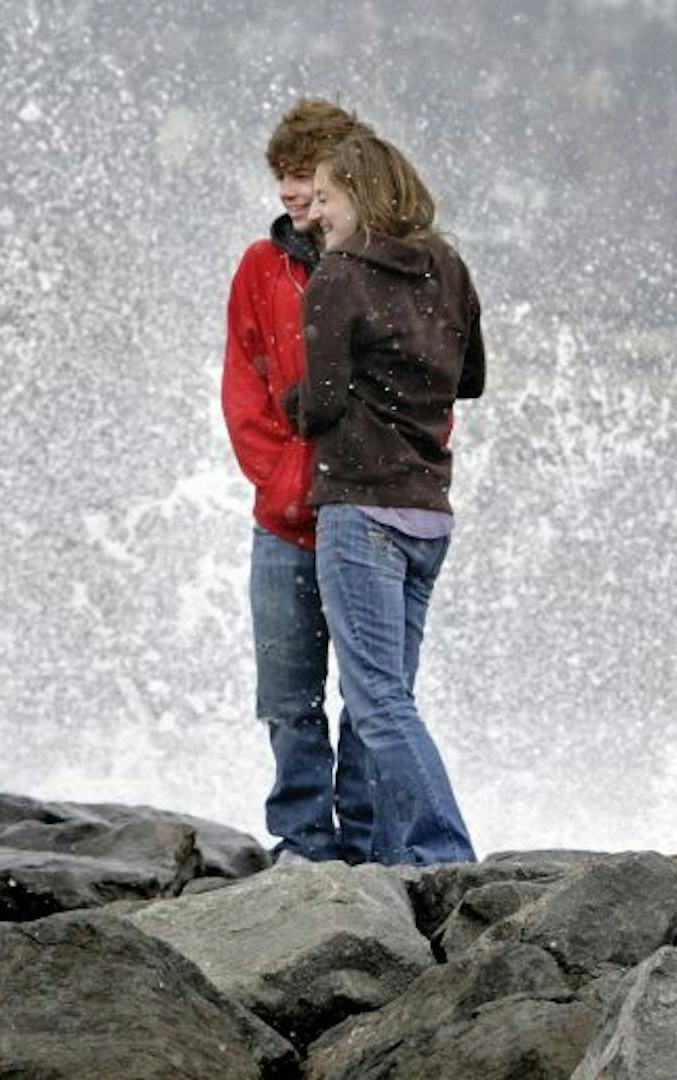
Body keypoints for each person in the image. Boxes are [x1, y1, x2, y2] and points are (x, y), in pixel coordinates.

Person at [289, 131, 485, 865]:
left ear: (362, 198)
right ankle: (401, 859)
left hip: (362, 508)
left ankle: (444, 854)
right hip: (428, 511)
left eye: (329, 200)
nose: (317, 216)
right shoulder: (448, 266)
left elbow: (324, 402)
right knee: (391, 697)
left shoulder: (338, 275)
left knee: (377, 702)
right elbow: (470, 380)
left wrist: (292, 402)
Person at [223, 99, 377, 864]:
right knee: (287, 698)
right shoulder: (261, 266)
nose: (291, 196)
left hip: (368, 514)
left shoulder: (391, 263)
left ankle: (368, 840)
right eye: (281, 181)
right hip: (282, 517)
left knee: (371, 699)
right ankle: (304, 841)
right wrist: (287, 477)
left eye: (304, 179)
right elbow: (243, 391)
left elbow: (428, 388)